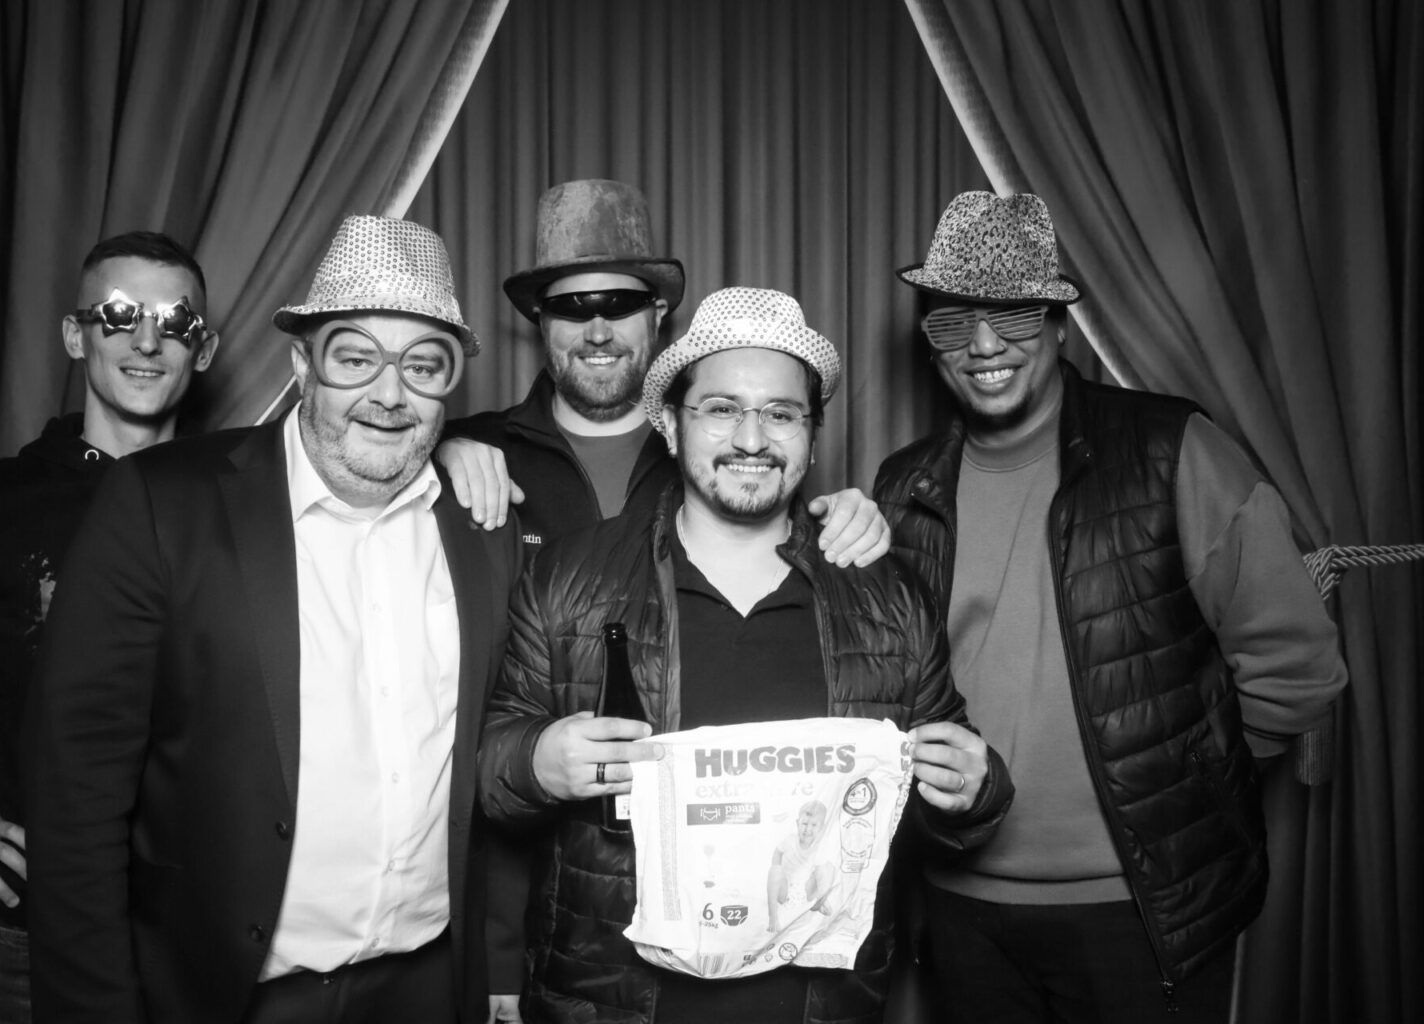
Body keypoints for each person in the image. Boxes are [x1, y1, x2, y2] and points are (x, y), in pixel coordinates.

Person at [21, 216, 521, 1024]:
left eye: (423, 366)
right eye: (355, 359)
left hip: (429, 988)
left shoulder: (482, 524)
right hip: (226, 994)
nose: (390, 394)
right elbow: (75, 796)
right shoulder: (161, 503)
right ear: (302, 365)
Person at [874, 191, 1349, 1022]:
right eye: (953, 321)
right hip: (959, 908)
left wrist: (1192, 786)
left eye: (1014, 315)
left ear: (1061, 325)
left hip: (1143, 911)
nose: (983, 345)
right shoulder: (902, 485)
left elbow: (1297, 669)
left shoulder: (1174, 451)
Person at [478, 286, 1013, 1024]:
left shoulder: (888, 597)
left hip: (822, 1004)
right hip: (616, 1001)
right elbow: (491, 765)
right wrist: (535, 761)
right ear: (672, 426)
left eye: (781, 414)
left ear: (812, 438)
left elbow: (932, 789)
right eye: (722, 409)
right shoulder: (569, 580)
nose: (752, 440)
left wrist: (975, 791)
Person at [0, 231, 219, 1022]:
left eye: (175, 321)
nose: (147, 340)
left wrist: (458, 453)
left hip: (212, 931)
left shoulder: (240, 499)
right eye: (119, 315)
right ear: (76, 335)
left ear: (202, 350)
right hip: (40, 933)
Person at [437, 178, 887, 565]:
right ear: (542, 321)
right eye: (571, 308)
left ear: (656, 316)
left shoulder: (717, 446)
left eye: (621, 305)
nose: (598, 333)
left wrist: (848, 523)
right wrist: (436, 457)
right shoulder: (474, 450)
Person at [767, 800, 835, 932]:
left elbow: (821, 876)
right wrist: (777, 871)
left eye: (814, 825)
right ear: (797, 823)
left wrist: (821, 892)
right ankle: (773, 917)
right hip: (785, 891)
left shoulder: (819, 847)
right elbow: (778, 852)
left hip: (806, 891)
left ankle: (820, 901)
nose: (808, 829)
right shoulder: (790, 840)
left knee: (828, 867)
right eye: (804, 824)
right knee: (774, 871)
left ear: (822, 828)